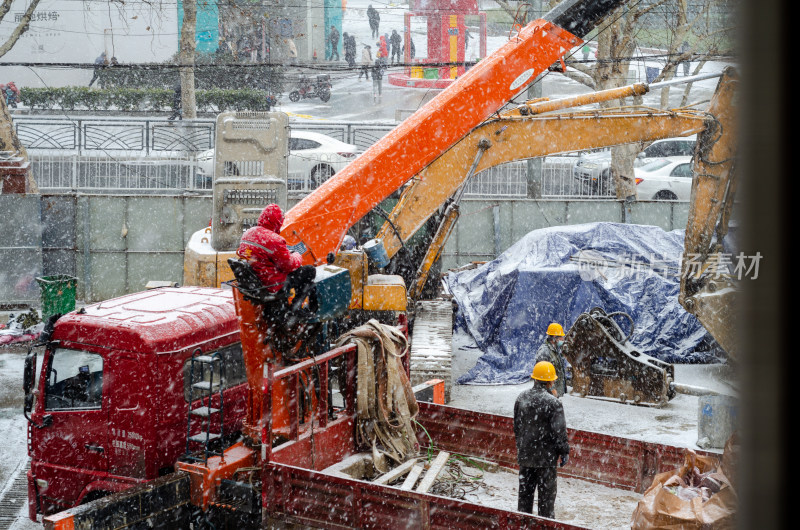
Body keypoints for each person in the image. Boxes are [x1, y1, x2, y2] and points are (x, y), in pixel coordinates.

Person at [514, 361, 570, 518]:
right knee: (546, 504)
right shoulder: (554, 403)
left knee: (524, 501)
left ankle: (523, 526)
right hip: (546, 461)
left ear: (535, 379)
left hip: (526, 458)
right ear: (551, 381)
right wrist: (564, 451)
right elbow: (559, 433)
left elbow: (517, 428)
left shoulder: (521, 398)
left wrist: (523, 448)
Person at [237, 204, 309, 294]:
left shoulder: (248, 233)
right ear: (278, 221)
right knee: (309, 271)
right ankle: (296, 305)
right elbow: (288, 265)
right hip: (272, 284)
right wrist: (297, 256)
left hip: (254, 283)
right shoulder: (274, 240)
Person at [534, 323, 569, 397]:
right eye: (561, 337)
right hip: (548, 396)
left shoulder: (555, 350)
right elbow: (541, 378)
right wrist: (552, 391)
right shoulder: (544, 352)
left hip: (555, 395)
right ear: (554, 337)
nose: (563, 340)